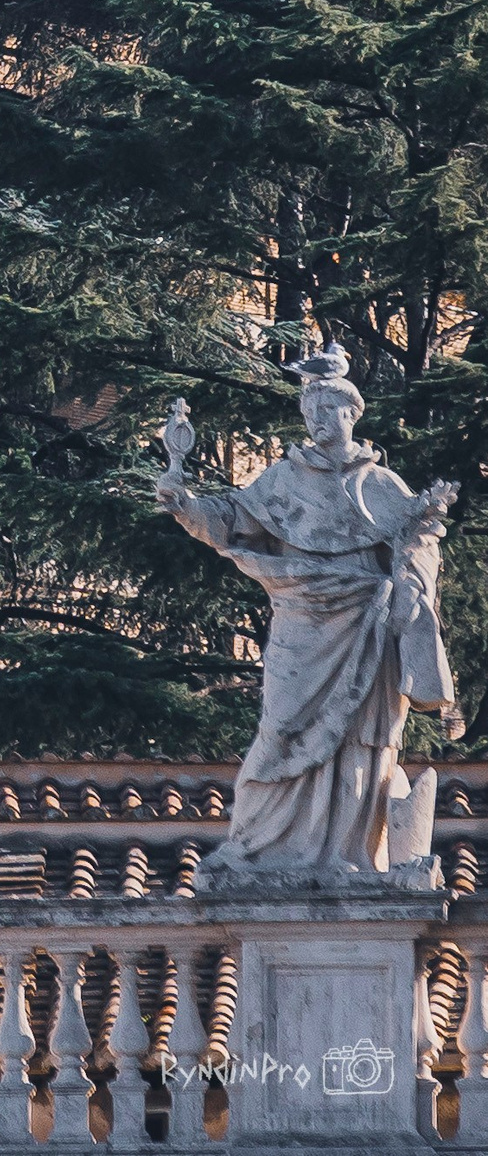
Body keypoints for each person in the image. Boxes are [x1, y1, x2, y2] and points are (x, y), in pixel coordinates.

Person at [159, 344, 462, 877]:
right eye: (309, 411)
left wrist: (422, 528)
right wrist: (184, 503)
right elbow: (230, 519)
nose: (317, 420)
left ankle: (347, 854)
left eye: (328, 409)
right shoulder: (281, 480)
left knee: (361, 741)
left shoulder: (380, 485)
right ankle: (259, 846)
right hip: (300, 621)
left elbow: (412, 549)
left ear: (352, 412)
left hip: (366, 625)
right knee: (280, 729)